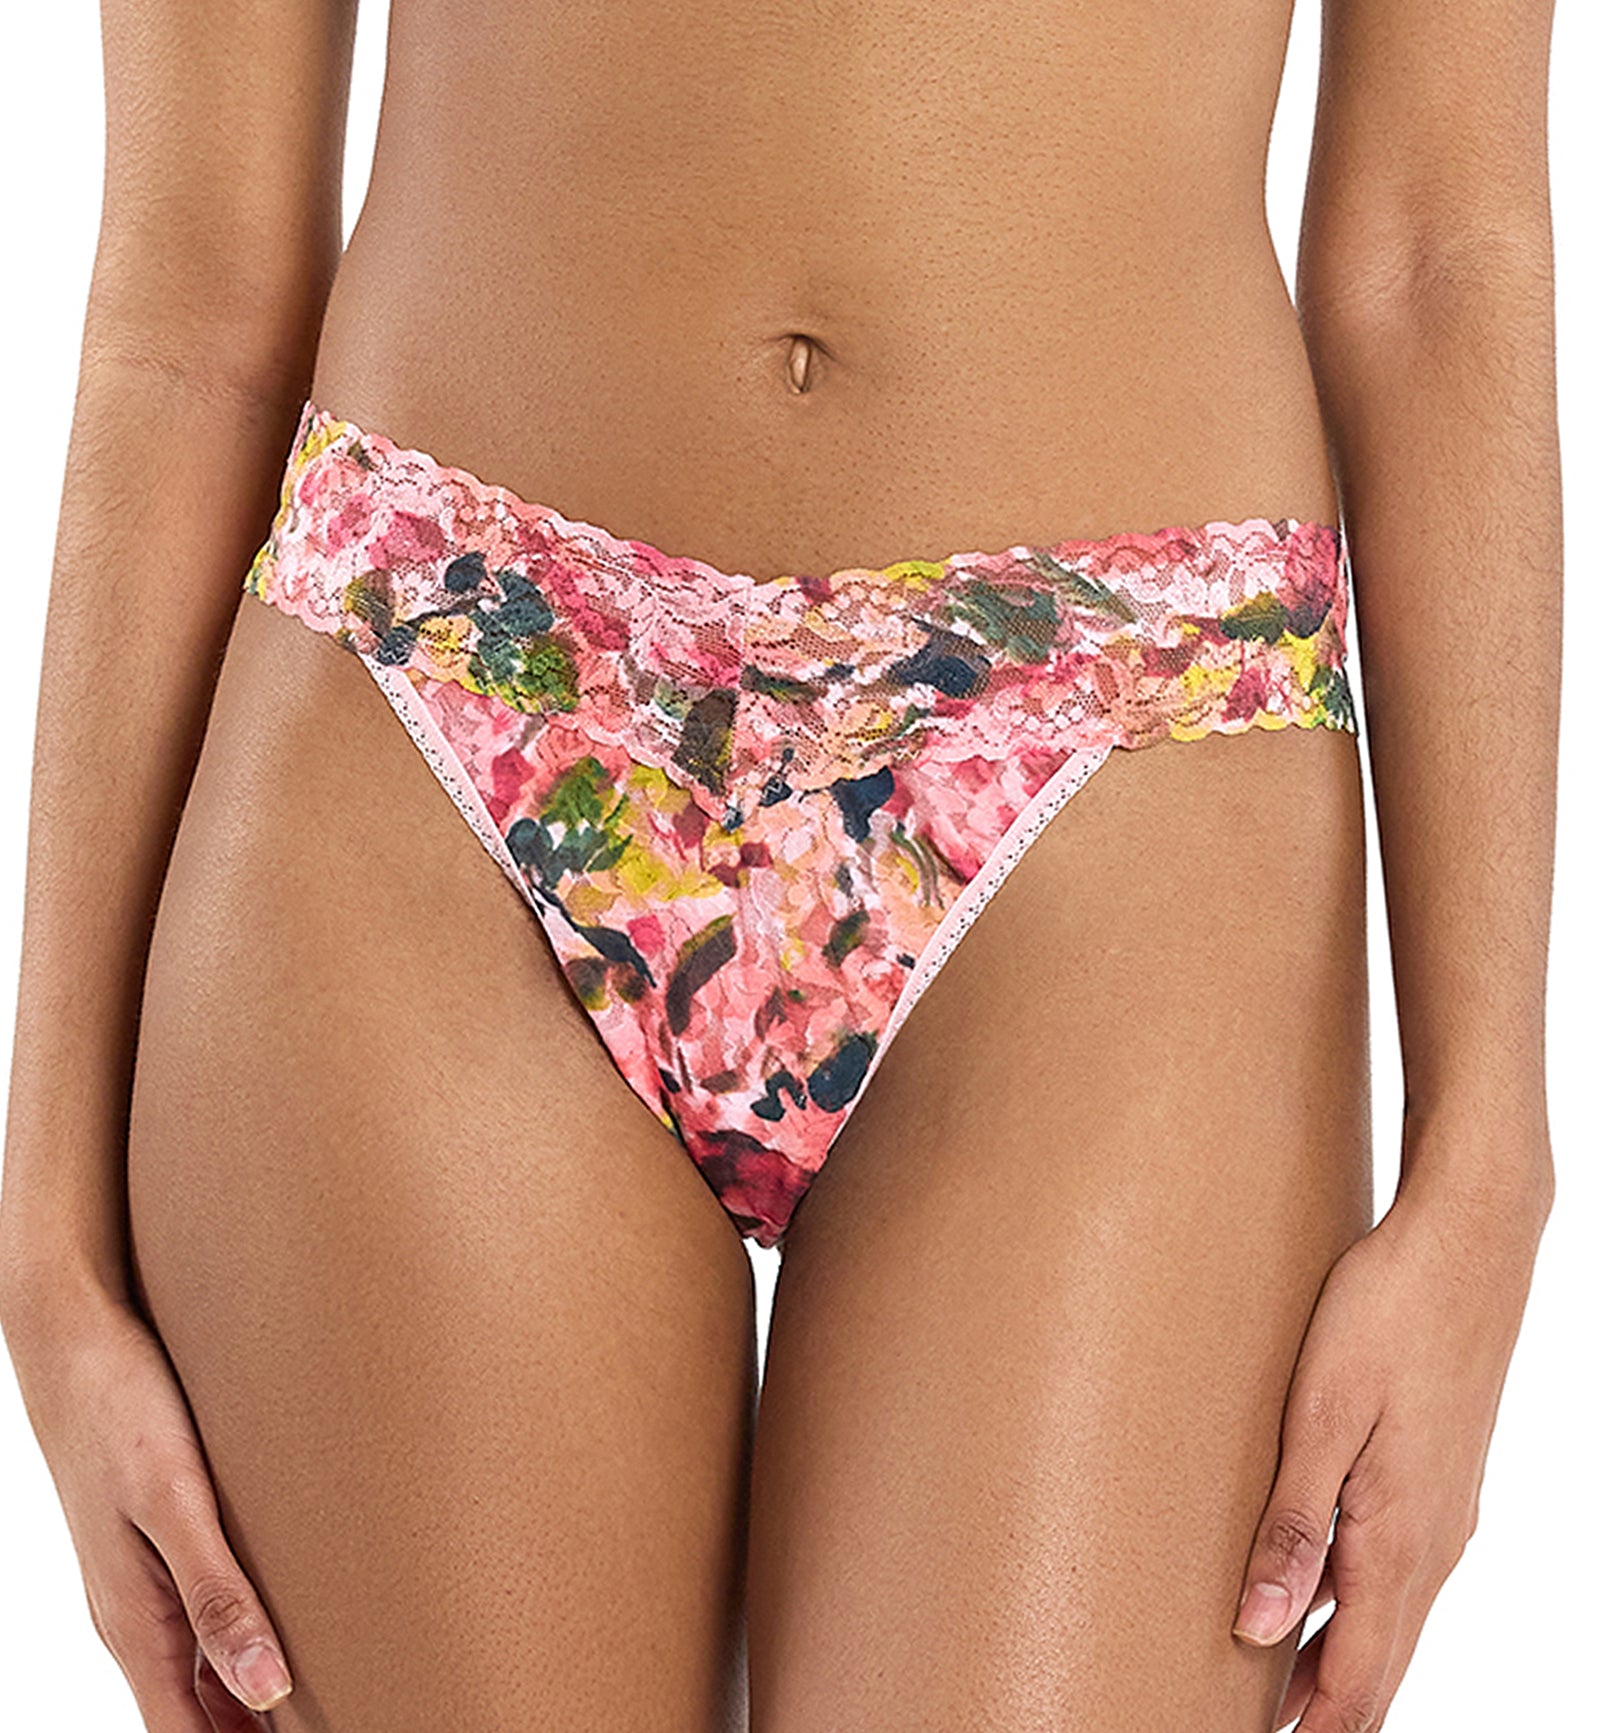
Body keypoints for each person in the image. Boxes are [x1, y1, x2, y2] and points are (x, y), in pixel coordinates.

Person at [0, 0, 1561, 1727]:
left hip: (1118, 724)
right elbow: (194, 302)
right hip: (447, 665)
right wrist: (45, 1238)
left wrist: (1485, 1156)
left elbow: (1439, 251)